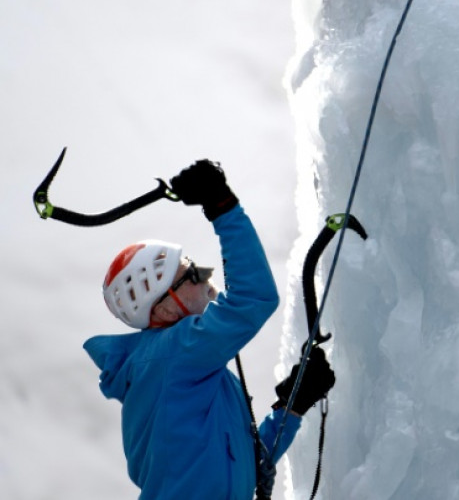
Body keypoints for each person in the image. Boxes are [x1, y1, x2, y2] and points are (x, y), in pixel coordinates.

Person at [84, 160, 335, 500]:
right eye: (193, 274)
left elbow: (243, 465)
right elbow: (252, 298)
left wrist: (291, 408)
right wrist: (222, 207)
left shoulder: (188, 369)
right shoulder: (174, 355)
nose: (206, 274)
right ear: (167, 308)